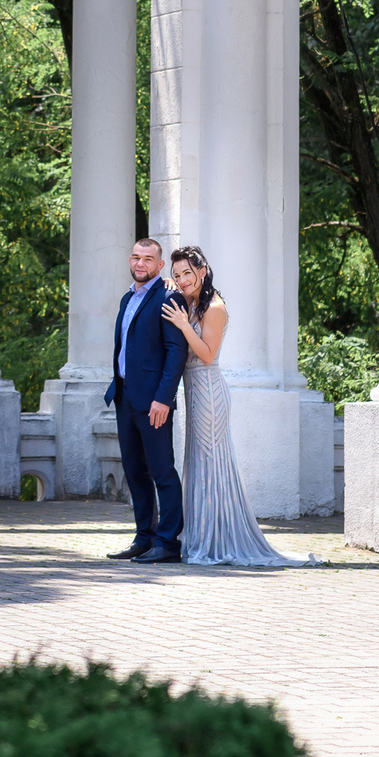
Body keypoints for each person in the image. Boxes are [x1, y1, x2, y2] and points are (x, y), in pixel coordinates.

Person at [159, 246, 321, 568]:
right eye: (177, 275)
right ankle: (202, 537)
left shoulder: (215, 307)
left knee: (210, 465)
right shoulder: (192, 299)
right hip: (194, 392)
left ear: (202, 271)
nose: (182, 280)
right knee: (199, 466)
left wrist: (182, 324)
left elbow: (206, 354)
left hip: (208, 392)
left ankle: (215, 542)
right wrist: (170, 287)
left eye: (187, 274)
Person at [105, 237, 189, 563]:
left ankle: (168, 543)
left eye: (148, 259)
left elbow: (175, 352)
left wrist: (163, 399)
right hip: (125, 396)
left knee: (162, 471)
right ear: (130, 260)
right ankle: (144, 537)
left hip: (154, 402)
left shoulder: (168, 298)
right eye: (136, 258)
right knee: (134, 471)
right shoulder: (128, 297)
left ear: (159, 264)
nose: (141, 264)